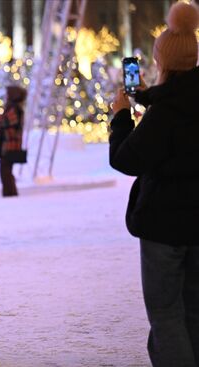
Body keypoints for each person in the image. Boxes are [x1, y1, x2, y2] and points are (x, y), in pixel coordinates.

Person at [108, 3, 199, 366]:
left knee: (165, 313)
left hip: (165, 224)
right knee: (194, 307)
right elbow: (177, 101)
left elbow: (127, 159)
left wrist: (120, 119)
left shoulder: (165, 113)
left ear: (162, 61)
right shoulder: (177, 102)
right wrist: (146, 97)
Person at [0, 85, 27, 197]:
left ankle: (10, 195)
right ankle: (10, 194)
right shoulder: (14, 108)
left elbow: (4, 122)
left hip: (10, 146)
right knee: (6, 172)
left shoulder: (15, 109)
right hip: (8, 146)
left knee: (5, 172)